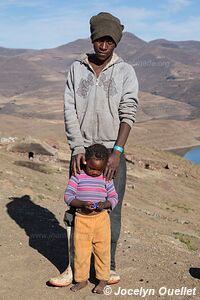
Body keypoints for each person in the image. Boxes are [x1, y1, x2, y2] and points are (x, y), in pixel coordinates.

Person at [48, 11, 138, 287]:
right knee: (76, 208)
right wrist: (77, 147)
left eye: (110, 40)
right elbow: (69, 110)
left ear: (116, 43)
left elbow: (128, 112)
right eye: (100, 39)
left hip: (112, 153)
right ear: (93, 38)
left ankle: (107, 266)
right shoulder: (77, 68)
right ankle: (74, 268)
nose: (104, 45)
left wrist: (117, 152)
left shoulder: (125, 71)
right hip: (83, 151)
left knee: (112, 208)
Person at [65, 144, 118, 293]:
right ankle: (81, 280)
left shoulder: (106, 178)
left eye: (98, 170)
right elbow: (68, 196)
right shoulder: (78, 176)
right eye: (92, 168)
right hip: (82, 219)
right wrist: (81, 204)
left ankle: (102, 280)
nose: (95, 172)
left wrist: (105, 204)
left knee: (102, 251)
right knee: (81, 252)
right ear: (86, 161)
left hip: (101, 219)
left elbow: (114, 197)